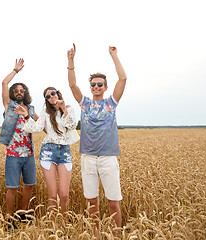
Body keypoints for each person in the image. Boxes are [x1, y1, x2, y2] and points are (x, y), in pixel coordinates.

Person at [66, 43, 127, 235]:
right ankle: (95, 234)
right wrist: (71, 60)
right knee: (92, 201)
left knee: (113, 202)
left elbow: (123, 78)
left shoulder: (111, 103)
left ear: (105, 87)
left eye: (100, 84)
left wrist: (114, 55)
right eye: (93, 84)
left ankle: (116, 235)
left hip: (108, 158)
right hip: (88, 159)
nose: (96, 87)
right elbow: (72, 85)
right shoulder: (84, 104)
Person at [14, 87, 78, 214]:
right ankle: (54, 226)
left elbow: (71, 125)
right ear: (46, 100)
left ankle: (64, 225)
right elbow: (37, 128)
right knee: (53, 195)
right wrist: (26, 115)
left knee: (64, 195)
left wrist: (63, 108)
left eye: (52, 93)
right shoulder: (45, 112)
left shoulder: (69, 108)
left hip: (65, 152)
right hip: (48, 152)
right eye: (47, 96)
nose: (51, 97)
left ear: (58, 94)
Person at [0, 59, 39, 230]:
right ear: (13, 93)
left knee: (29, 185)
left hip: (28, 154)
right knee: (12, 187)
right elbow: (4, 82)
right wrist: (16, 70)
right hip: (13, 154)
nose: (19, 92)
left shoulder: (31, 109)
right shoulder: (9, 106)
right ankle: (8, 218)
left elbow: (41, 126)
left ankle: (23, 214)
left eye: (22, 90)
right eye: (16, 90)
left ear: (25, 93)